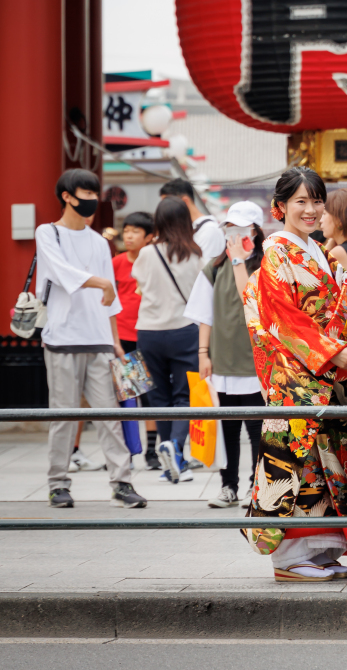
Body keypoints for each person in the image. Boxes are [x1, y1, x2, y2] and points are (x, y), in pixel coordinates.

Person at [242, 167, 347, 582]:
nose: (311, 210)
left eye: (316, 201)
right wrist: (334, 354)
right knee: (297, 465)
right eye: (301, 201)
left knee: (327, 463)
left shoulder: (320, 253)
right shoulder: (276, 252)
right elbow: (285, 320)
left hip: (327, 374)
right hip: (297, 377)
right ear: (279, 207)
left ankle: (322, 550)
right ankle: (290, 557)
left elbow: (338, 313)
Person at [36, 169, 147, 510]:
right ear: (66, 196)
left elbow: (110, 301)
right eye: (84, 194)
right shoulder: (48, 233)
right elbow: (59, 272)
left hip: (99, 339)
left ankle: (122, 482)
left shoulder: (100, 242)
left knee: (110, 417)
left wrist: (115, 341)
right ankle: (58, 484)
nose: (90, 202)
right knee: (63, 416)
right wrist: (101, 283)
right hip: (62, 338)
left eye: (93, 195)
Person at [184, 200, 265, 508]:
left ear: (256, 232)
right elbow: (204, 315)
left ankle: (255, 487)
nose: (235, 234)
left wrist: (240, 261)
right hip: (222, 360)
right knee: (227, 428)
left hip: (254, 361)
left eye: (242, 228)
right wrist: (203, 353)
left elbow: (251, 302)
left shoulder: (265, 266)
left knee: (257, 429)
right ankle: (228, 486)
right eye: (231, 228)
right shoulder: (214, 267)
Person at [132, 196, 204, 485]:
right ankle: (174, 450)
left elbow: (139, 285)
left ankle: (167, 460)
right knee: (183, 396)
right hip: (185, 330)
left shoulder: (147, 253)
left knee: (157, 398)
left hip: (148, 331)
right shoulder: (196, 254)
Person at [111, 211, 159, 471]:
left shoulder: (154, 261)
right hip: (122, 339)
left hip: (146, 335)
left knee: (149, 396)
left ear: (149, 237)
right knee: (127, 397)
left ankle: (151, 451)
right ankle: (128, 450)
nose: (128, 236)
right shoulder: (116, 262)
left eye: (135, 232)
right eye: (126, 230)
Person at [159, 177, 225, 261]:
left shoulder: (209, 230)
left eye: (168, 204)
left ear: (185, 202)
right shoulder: (188, 228)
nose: (164, 210)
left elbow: (202, 270)